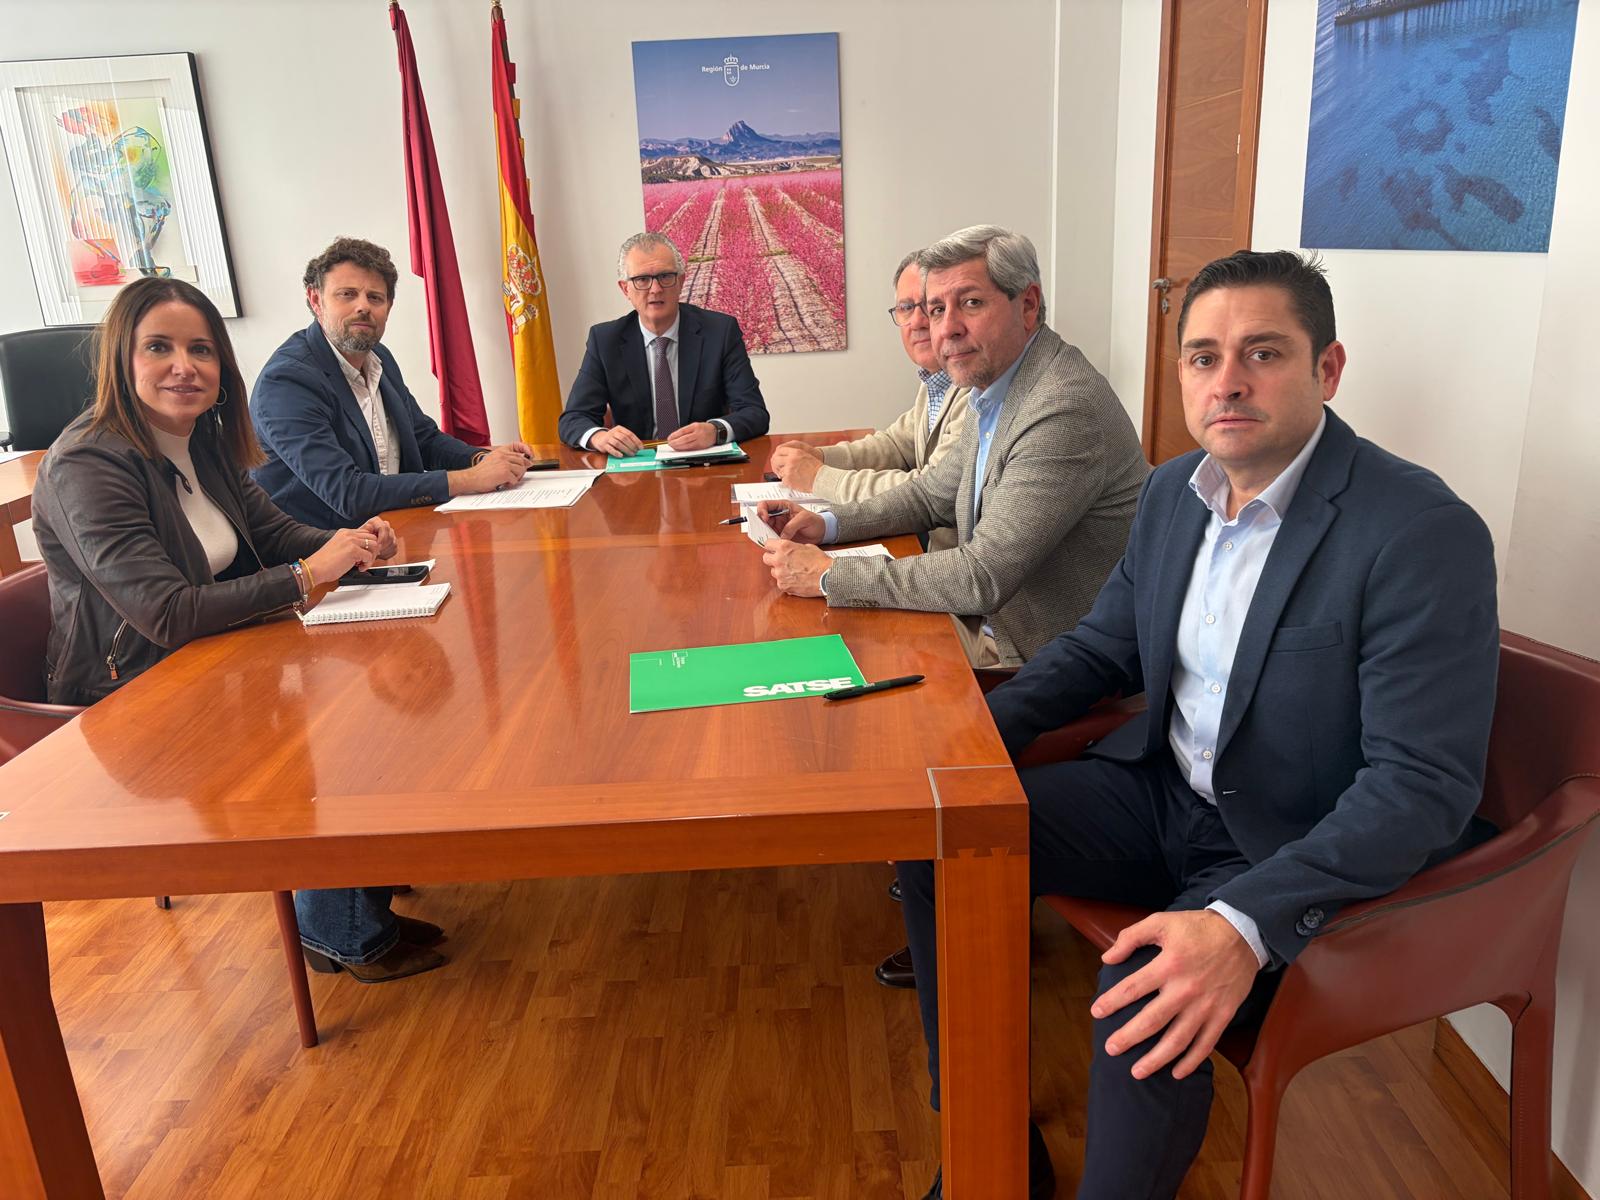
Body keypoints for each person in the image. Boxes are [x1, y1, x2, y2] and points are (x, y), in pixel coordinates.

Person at [894, 250, 1501, 1199]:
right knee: (942, 842)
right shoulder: (1175, 490)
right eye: (1204, 357)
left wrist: (1243, 923)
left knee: (1141, 995)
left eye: (1263, 353)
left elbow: (1422, 783)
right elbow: (1103, 648)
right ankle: (988, 1143)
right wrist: (968, 742)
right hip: (1162, 792)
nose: (1229, 382)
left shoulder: (1418, 531)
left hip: (1288, 839)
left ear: (1328, 368)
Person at [33, 276, 449, 986]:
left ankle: (356, 898)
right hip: (132, 689)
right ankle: (339, 925)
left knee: (388, 689)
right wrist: (306, 575)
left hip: (219, 650)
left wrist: (346, 543)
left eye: (201, 350)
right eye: (158, 348)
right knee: (345, 725)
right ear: (120, 360)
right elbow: (164, 612)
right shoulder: (87, 464)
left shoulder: (202, 441)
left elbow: (273, 532)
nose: (184, 367)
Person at [758, 225, 1147, 670]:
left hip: (1039, 656)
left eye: (971, 303)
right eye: (937, 309)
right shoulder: (995, 384)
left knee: (828, 661)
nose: (947, 329)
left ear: (1028, 305)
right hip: (991, 623)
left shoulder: (1061, 407)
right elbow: (931, 496)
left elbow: (983, 574)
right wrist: (827, 525)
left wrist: (830, 574)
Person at [251, 236, 536, 527]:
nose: (363, 306)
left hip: (395, 529)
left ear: (388, 307)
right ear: (316, 300)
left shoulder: (378, 358)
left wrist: (481, 459)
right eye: (347, 294)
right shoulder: (286, 382)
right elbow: (348, 493)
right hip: (321, 546)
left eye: (375, 297)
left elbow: (423, 438)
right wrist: (470, 479)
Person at [767, 250, 972, 551]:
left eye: (932, 307)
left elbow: (928, 492)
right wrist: (820, 456)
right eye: (906, 307)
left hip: (950, 565)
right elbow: (894, 445)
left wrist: (819, 476)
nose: (917, 321)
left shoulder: (974, 388)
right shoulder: (936, 379)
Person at [558, 232, 769, 454]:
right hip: (637, 464)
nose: (655, 289)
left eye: (665, 276)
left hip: (704, 463)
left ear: (681, 282)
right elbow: (573, 418)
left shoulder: (720, 332)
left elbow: (754, 412)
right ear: (625, 289)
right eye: (642, 280)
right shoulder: (605, 340)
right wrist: (599, 437)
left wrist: (716, 431)